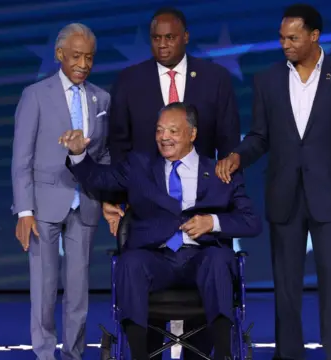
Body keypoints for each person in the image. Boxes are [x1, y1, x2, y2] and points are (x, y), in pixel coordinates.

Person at [216, 4, 331, 360]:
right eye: (282, 37)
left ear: (314, 36)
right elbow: (259, 136)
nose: (285, 44)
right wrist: (239, 155)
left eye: (293, 38)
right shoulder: (267, 80)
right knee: (286, 289)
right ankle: (288, 356)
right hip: (284, 196)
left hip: (330, 198)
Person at [61, 102, 261, 360]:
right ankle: (140, 356)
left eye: (173, 131)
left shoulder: (219, 171)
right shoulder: (139, 167)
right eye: (159, 130)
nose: (164, 137)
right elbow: (98, 178)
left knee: (219, 259)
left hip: (202, 260)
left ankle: (222, 354)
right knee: (130, 261)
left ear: (192, 134)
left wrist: (213, 222)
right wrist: (78, 154)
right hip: (156, 261)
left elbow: (251, 222)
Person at [104, 6, 241, 358]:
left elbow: (227, 147)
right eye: (155, 38)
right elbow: (118, 145)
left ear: (185, 37)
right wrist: (119, 200)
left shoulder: (215, 79)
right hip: (147, 211)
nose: (162, 45)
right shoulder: (130, 80)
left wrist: (222, 204)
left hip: (200, 209)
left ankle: (204, 353)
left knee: (207, 282)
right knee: (141, 279)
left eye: (169, 37)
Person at [10, 23, 110, 360]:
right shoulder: (35, 95)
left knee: (79, 291)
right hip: (43, 206)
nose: (83, 64)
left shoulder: (102, 98)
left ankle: (74, 354)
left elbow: (103, 155)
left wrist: (107, 197)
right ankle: (45, 354)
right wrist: (24, 211)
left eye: (89, 58)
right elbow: (21, 158)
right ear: (59, 55)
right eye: (76, 56)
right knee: (44, 287)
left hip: (86, 204)